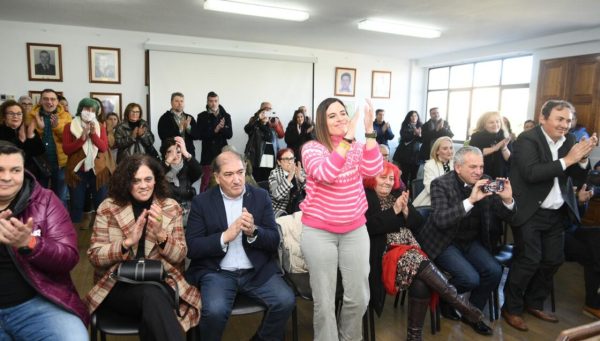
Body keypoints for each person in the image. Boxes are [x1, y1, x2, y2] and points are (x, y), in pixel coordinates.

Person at [502, 99, 597, 331]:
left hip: (556, 213)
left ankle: (534, 302)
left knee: (554, 259)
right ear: (543, 118)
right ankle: (511, 308)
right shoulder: (527, 140)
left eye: (568, 120)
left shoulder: (571, 141)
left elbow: (574, 176)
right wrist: (570, 159)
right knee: (529, 260)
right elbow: (532, 173)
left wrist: (583, 160)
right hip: (529, 211)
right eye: (559, 118)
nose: (565, 124)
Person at [364, 161, 484, 341]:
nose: (388, 182)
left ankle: (414, 337)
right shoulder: (365, 197)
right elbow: (369, 228)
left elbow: (419, 224)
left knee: (422, 282)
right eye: (383, 177)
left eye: (391, 178)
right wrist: (394, 211)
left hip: (412, 254)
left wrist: (405, 211)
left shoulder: (398, 193)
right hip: (384, 255)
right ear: (372, 178)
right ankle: (462, 305)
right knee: (416, 258)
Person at [85, 154, 200, 340]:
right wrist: (126, 243)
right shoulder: (108, 207)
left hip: (163, 282)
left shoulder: (170, 207)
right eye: (135, 181)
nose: (143, 185)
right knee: (151, 297)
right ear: (125, 182)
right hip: (119, 285)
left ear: (156, 180)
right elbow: (95, 256)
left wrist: (161, 235)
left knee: (152, 296)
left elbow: (180, 255)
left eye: (148, 179)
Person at [185, 150, 295, 341]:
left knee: (285, 301)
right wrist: (225, 236)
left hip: (256, 271)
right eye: (229, 174)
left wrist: (254, 231)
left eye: (240, 172)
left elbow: (273, 240)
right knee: (215, 311)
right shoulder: (202, 202)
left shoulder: (260, 197)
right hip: (218, 272)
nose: (237, 179)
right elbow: (193, 247)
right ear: (217, 177)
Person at [300, 98, 382, 340]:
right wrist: (347, 139)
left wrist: (369, 132)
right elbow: (326, 173)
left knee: (359, 298)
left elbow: (373, 170)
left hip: (355, 230)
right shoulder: (312, 148)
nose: (340, 119)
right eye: (332, 115)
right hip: (319, 232)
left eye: (343, 113)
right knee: (324, 303)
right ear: (322, 123)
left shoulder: (356, 146)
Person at [417, 146, 515, 336]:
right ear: (458, 167)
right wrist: (470, 200)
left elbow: (506, 216)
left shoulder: (486, 181)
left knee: (494, 271)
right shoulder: (441, 184)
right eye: (472, 167)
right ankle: (447, 298)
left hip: (470, 241)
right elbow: (440, 220)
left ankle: (471, 313)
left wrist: (508, 200)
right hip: (444, 241)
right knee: (470, 278)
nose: (478, 171)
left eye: (480, 166)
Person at [0, 141, 88, 340]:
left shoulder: (45, 200)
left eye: (15, 170)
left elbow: (68, 257)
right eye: (0, 170)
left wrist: (29, 244)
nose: (6, 177)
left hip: (36, 302)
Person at [62, 98, 110, 230]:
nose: (89, 112)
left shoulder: (100, 126)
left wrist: (93, 135)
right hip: (77, 171)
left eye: (93, 110)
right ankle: (74, 236)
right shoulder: (69, 126)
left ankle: (101, 231)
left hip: (97, 171)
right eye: (87, 109)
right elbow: (67, 150)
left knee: (100, 203)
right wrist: (82, 138)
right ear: (80, 109)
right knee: (77, 203)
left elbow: (103, 147)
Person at [27, 89, 71, 205]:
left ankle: (60, 222)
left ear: (57, 102)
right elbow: (28, 140)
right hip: (38, 163)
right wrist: (39, 127)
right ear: (40, 101)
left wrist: (56, 126)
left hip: (60, 163)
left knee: (60, 197)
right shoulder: (31, 116)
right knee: (39, 197)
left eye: (53, 99)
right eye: (46, 99)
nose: (49, 102)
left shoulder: (66, 116)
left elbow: (69, 139)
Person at [565, 183, 600, 319]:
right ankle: (593, 304)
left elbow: (575, 218)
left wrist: (580, 200)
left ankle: (593, 302)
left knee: (597, 236)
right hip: (553, 232)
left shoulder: (565, 179)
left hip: (571, 227)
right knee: (593, 253)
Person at [160, 136, 202, 227]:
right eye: (170, 152)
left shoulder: (187, 169)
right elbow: (156, 177)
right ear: (165, 155)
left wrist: (186, 153)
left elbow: (199, 172)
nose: (175, 154)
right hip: (168, 218)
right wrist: (168, 161)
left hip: (189, 216)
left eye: (178, 152)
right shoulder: (161, 170)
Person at [0, 100, 46, 180]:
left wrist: (31, 135)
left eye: (19, 113)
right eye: (11, 113)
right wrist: (21, 141)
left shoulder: (29, 129)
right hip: (6, 176)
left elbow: (40, 151)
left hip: (30, 175)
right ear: (4, 116)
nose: (15, 116)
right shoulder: (1, 131)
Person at [197, 91, 233, 192]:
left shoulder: (226, 116)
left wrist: (221, 128)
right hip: (207, 153)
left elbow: (230, 135)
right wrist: (215, 130)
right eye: (211, 101)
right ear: (207, 102)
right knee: (206, 181)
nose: (213, 103)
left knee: (223, 179)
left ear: (218, 101)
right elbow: (200, 135)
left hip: (222, 152)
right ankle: (201, 204)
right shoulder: (201, 116)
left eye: (215, 101)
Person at [413, 136, 454, 207]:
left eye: (451, 148)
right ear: (437, 151)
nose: (449, 151)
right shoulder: (430, 165)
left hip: (452, 200)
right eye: (445, 148)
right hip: (431, 202)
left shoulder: (456, 164)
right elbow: (430, 188)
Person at [469, 111, 512, 179]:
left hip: (501, 176)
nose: (495, 124)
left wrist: (504, 148)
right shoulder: (476, 136)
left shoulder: (505, 136)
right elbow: (474, 153)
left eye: (497, 121)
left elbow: (510, 160)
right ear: (484, 124)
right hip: (481, 174)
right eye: (491, 122)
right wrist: (495, 148)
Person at [157, 92, 198, 158]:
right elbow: (163, 136)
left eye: (182, 101)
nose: (180, 103)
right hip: (171, 154)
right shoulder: (164, 118)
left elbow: (197, 136)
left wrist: (188, 128)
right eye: (177, 101)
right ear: (171, 103)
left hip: (188, 154)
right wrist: (180, 129)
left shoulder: (189, 117)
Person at [268, 148, 306, 217]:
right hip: (280, 211)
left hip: (298, 209)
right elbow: (277, 196)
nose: (290, 162)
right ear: (279, 162)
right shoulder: (274, 174)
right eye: (286, 159)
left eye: (291, 158)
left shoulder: (299, 171)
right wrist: (289, 177)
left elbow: (310, 191)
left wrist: (300, 178)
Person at [244, 108, 274, 182]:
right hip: (256, 155)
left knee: (266, 178)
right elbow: (246, 129)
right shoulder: (254, 125)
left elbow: (269, 138)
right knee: (256, 178)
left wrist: (262, 124)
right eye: (263, 113)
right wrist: (257, 118)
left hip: (268, 156)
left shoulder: (269, 127)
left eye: (267, 113)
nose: (265, 115)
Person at [394, 110, 423, 185]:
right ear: (409, 117)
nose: (414, 117)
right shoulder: (405, 125)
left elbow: (422, 140)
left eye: (415, 116)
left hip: (416, 155)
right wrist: (414, 133)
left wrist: (419, 135)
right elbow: (404, 137)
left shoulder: (421, 126)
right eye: (412, 116)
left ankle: (412, 194)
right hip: (405, 155)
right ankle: (403, 193)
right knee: (404, 176)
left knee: (414, 176)